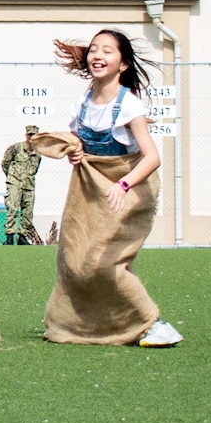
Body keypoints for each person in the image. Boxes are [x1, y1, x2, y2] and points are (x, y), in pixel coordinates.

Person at [34, 30, 182, 348]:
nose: (98, 56)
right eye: (94, 50)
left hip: (130, 191)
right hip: (91, 190)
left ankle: (156, 325)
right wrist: (74, 151)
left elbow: (152, 157)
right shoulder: (82, 103)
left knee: (106, 263)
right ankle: (78, 325)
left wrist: (124, 184)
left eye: (108, 51)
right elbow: (80, 147)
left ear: (124, 64)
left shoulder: (128, 105)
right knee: (75, 261)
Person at [1, 125, 42, 245]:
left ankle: (22, 236)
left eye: (34, 135)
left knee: (28, 211)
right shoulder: (16, 148)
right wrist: (12, 177)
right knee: (12, 208)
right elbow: (5, 163)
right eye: (30, 135)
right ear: (26, 135)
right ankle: (9, 236)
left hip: (29, 185)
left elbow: (36, 168)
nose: (32, 137)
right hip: (15, 183)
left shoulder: (38, 152)